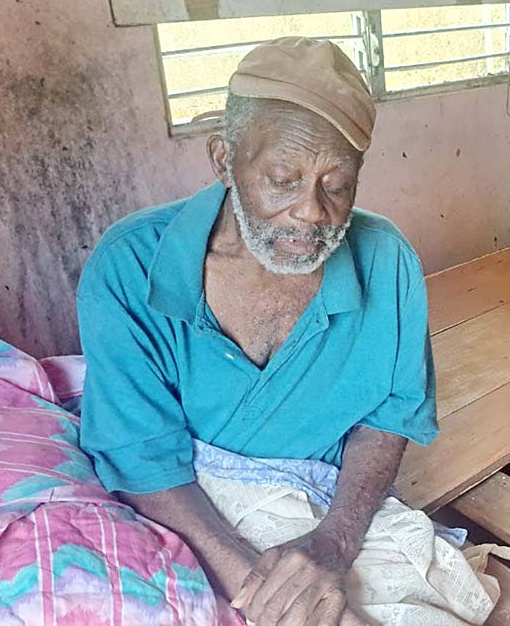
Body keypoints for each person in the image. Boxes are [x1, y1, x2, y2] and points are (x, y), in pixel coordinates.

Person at [77, 37, 437, 626]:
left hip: (322, 517)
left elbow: (390, 413)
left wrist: (333, 544)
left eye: (337, 184)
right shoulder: (131, 266)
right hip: (180, 514)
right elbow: (139, 457)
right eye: (283, 179)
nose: (312, 212)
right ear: (224, 160)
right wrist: (263, 590)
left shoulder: (388, 262)